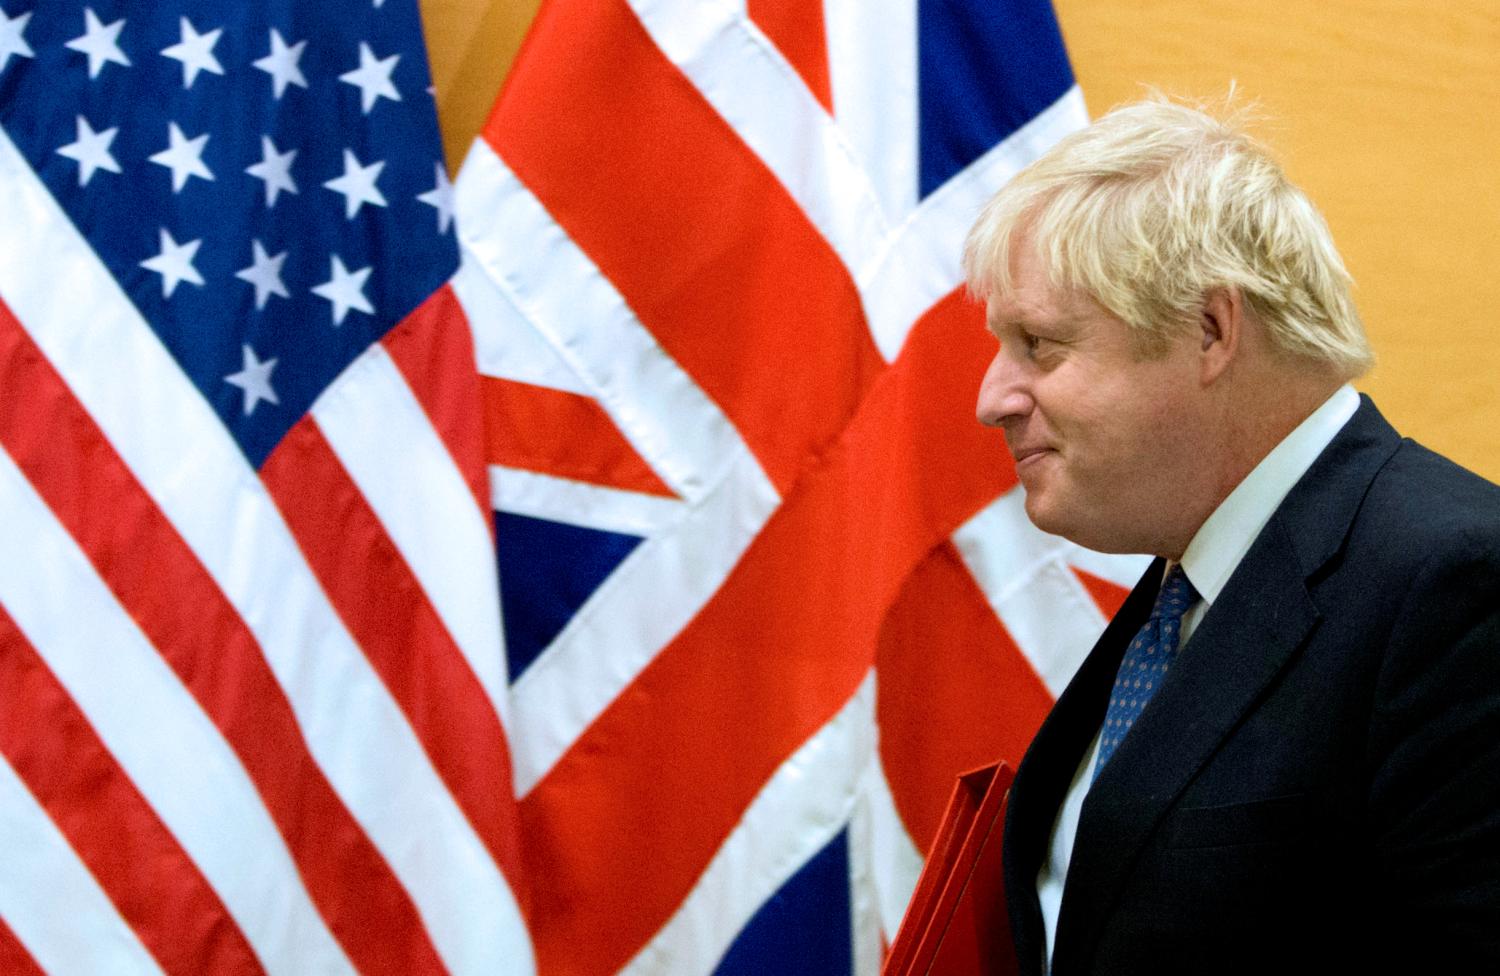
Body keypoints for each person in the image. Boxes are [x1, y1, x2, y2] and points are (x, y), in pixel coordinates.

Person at [962, 95, 1500, 975]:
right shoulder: (1185, 581)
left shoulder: (1459, 582)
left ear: (1209, 331)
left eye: (1040, 346)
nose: (993, 399)